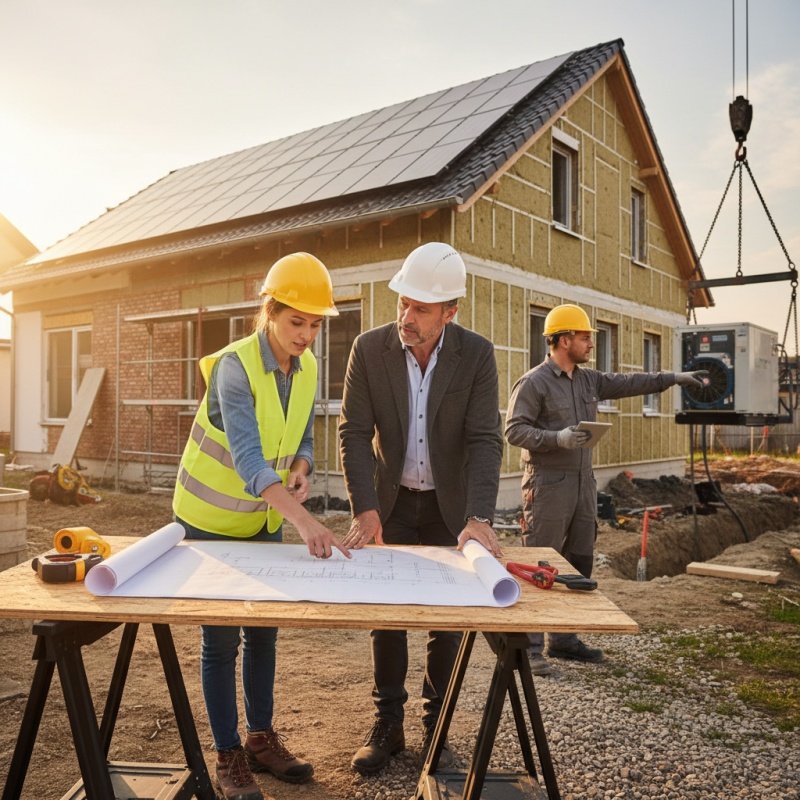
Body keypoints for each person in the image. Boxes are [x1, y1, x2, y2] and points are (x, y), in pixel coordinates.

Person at [173, 252, 350, 800]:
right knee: (221, 641)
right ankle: (228, 755)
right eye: (297, 321)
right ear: (269, 312)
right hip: (209, 518)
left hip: (261, 518)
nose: (307, 335)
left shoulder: (310, 366)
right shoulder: (233, 367)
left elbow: (300, 433)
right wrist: (306, 521)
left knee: (265, 632)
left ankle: (259, 739)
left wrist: (302, 467)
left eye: (316, 324)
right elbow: (249, 460)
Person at [338, 241, 504, 775]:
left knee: (446, 620)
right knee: (386, 614)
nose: (406, 317)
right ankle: (388, 722)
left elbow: (485, 439)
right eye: (403, 303)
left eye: (421, 309)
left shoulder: (476, 355)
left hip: (448, 507)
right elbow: (354, 433)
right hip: (387, 504)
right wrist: (365, 508)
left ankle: (438, 723)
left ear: (450, 312)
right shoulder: (368, 349)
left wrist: (479, 516)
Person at [504, 303, 708, 676]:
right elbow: (514, 430)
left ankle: (563, 640)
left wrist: (674, 377)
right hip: (547, 487)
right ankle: (528, 653)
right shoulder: (533, 383)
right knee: (539, 566)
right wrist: (557, 438)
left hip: (583, 484)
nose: (590, 345)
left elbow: (630, 382)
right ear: (564, 340)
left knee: (579, 561)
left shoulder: (587, 380)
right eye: (585, 338)